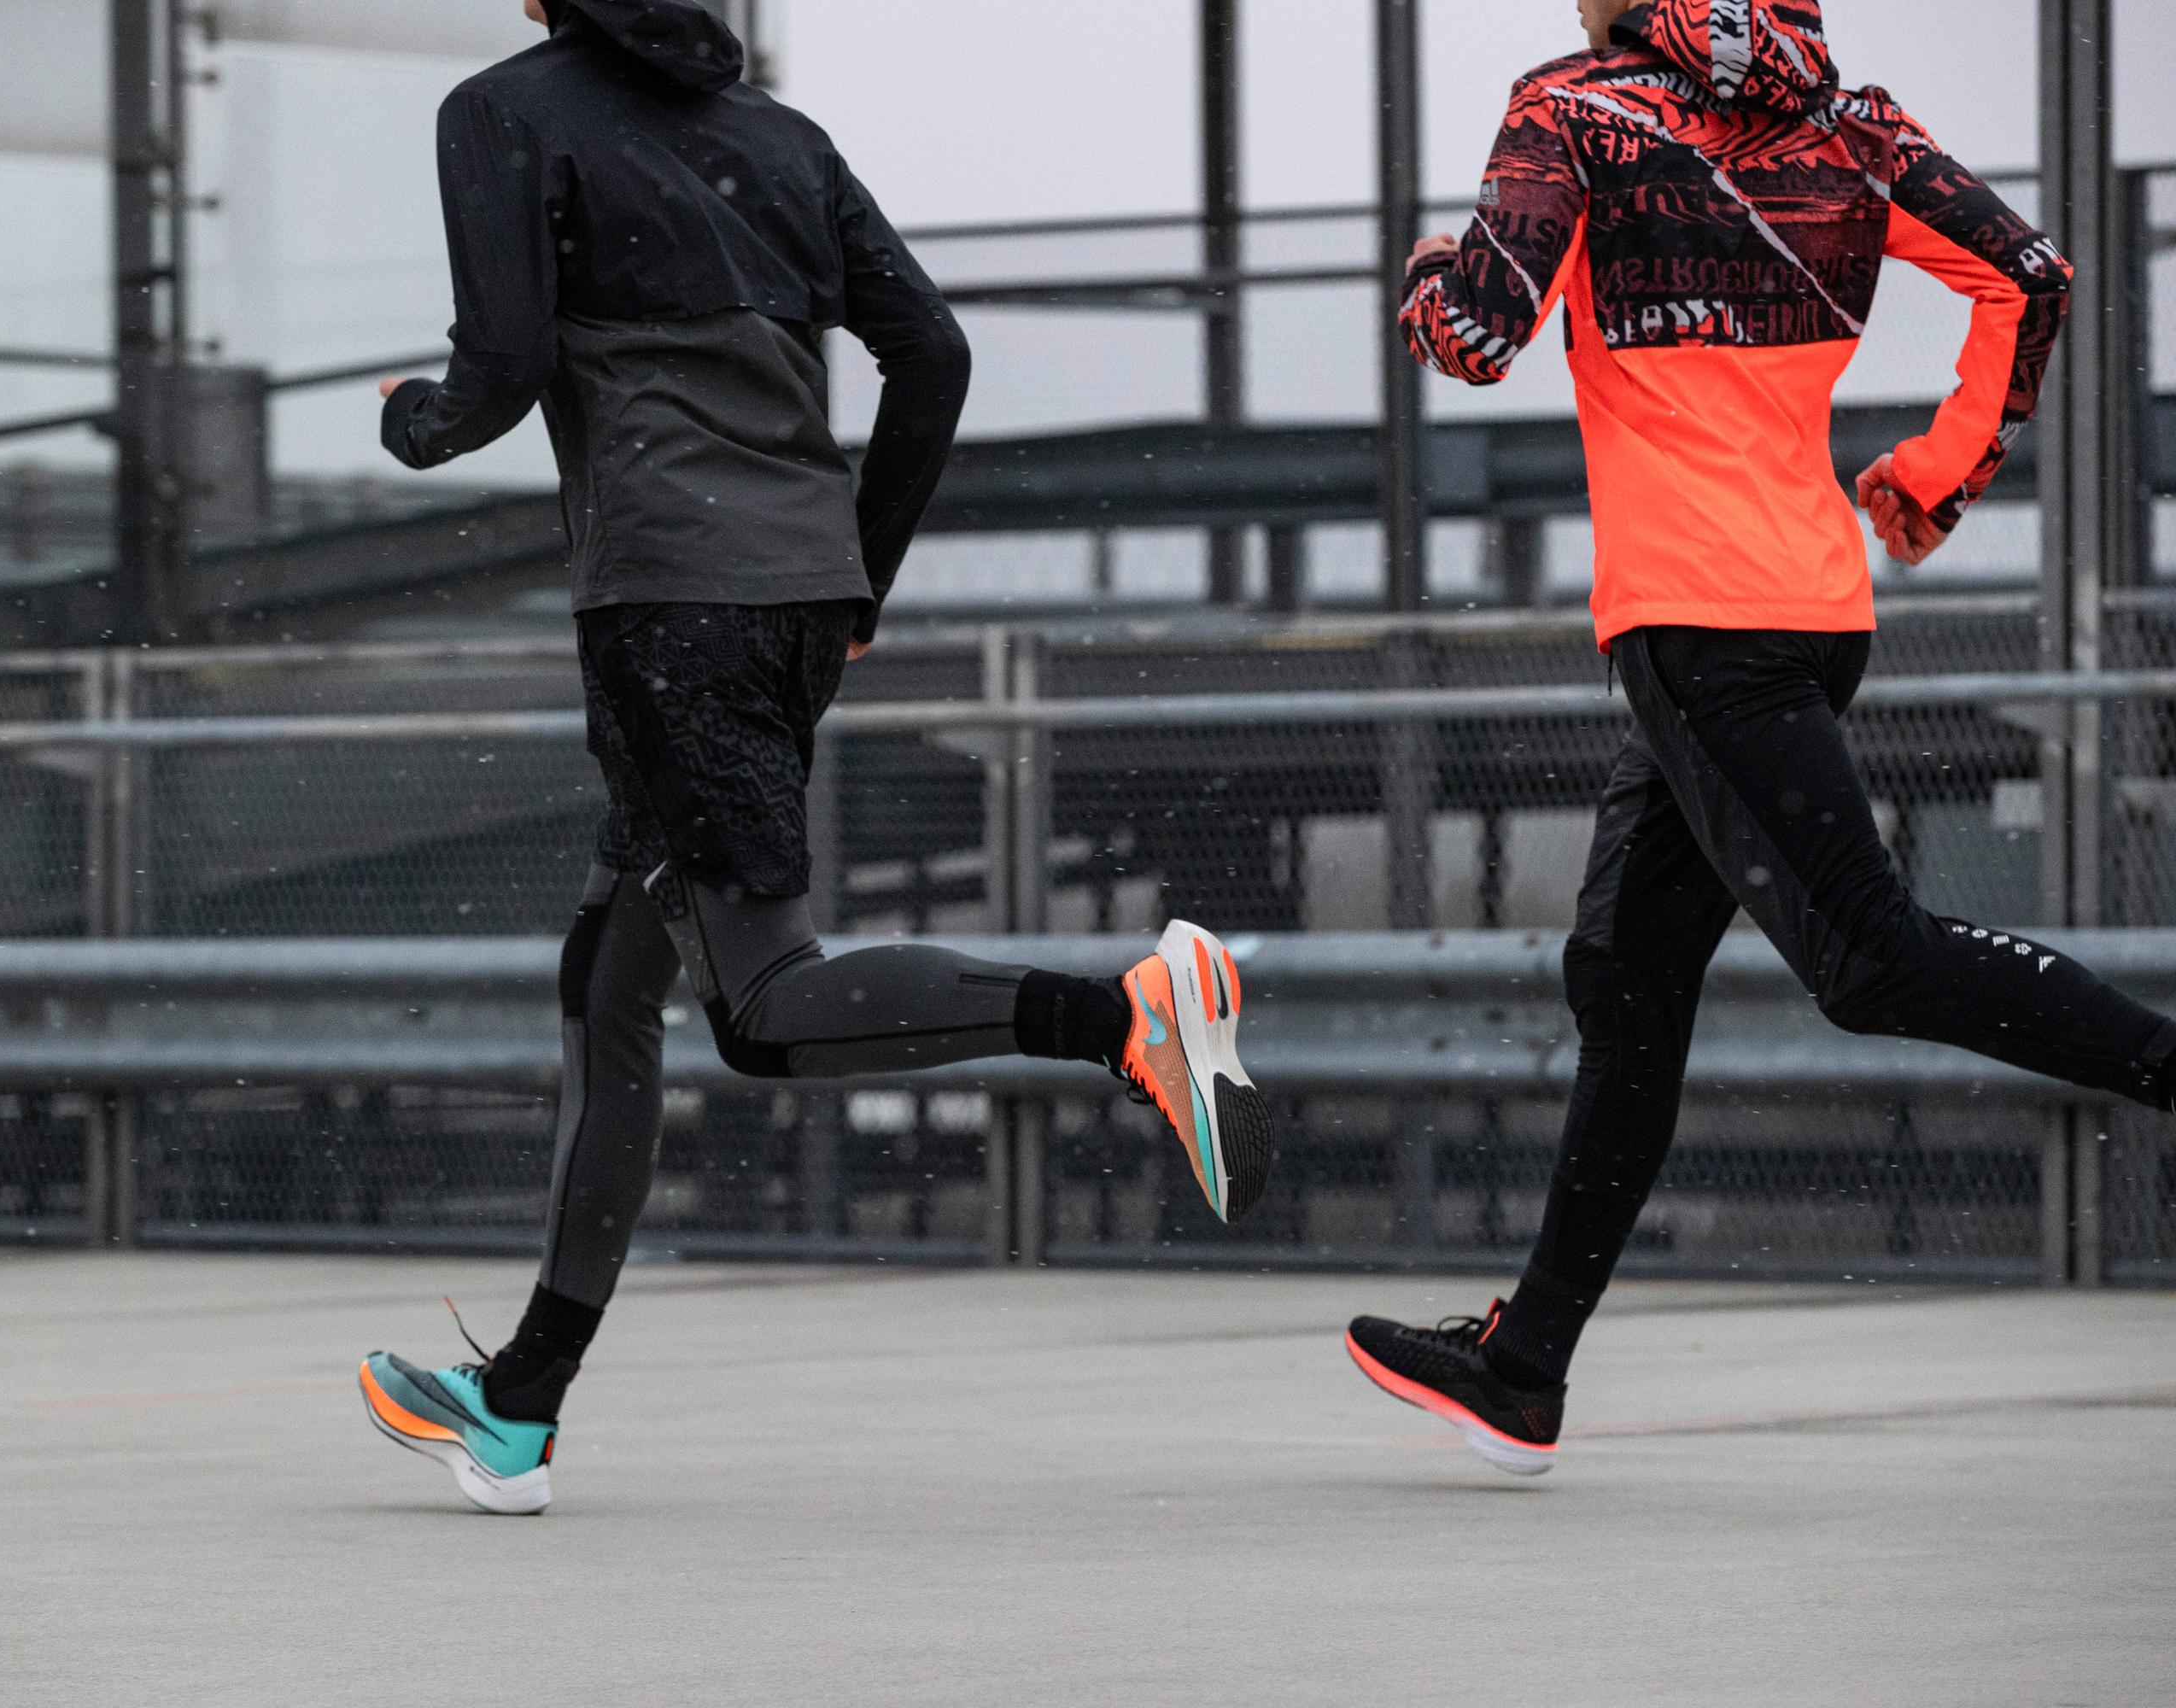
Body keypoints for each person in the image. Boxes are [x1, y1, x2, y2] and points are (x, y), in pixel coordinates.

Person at [355, 0, 1272, 1514]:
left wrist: (417, 421)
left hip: (668, 600)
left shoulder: (502, 113)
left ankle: (1125, 1017)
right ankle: (518, 1403)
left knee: (768, 1010)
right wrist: (863, 575)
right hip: (787, 598)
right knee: (612, 976)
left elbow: (505, 363)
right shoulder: (778, 140)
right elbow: (934, 353)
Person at [1344, 0, 2176, 1477]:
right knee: (1624, 969)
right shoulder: (1849, 125)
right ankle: (1524, 1365)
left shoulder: (1578, 109)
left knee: (1871, 961)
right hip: (1807, 608)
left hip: (1696, 621)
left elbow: (1470, 336)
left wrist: (1422, 270)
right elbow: (2029, 279)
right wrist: (1935, 473)